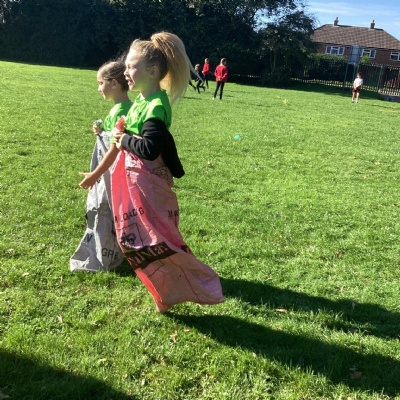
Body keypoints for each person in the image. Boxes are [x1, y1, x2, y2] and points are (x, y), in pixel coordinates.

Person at [79, 32, 224, 313]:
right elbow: (119, 145)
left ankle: (197, 282)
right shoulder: (139, 104)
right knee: (141, 241)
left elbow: (148, 148)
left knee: (158, 240)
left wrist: (124, 139)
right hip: (134, 186)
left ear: (153, 71)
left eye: (131, 67)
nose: (125, 72)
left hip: (148, 186)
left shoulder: (155, 106)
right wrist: (97, 172)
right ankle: (163, 294)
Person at [70, 59, 132, 272]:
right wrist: (101, 131)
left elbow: (112, 149)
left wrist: (95, 174)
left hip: (111, 174)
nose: (98, 88)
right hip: (126, 175)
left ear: (114, 83)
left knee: (106, 209)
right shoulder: (131, 108)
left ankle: (108, 249)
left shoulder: (119, 112)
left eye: (100, 83)